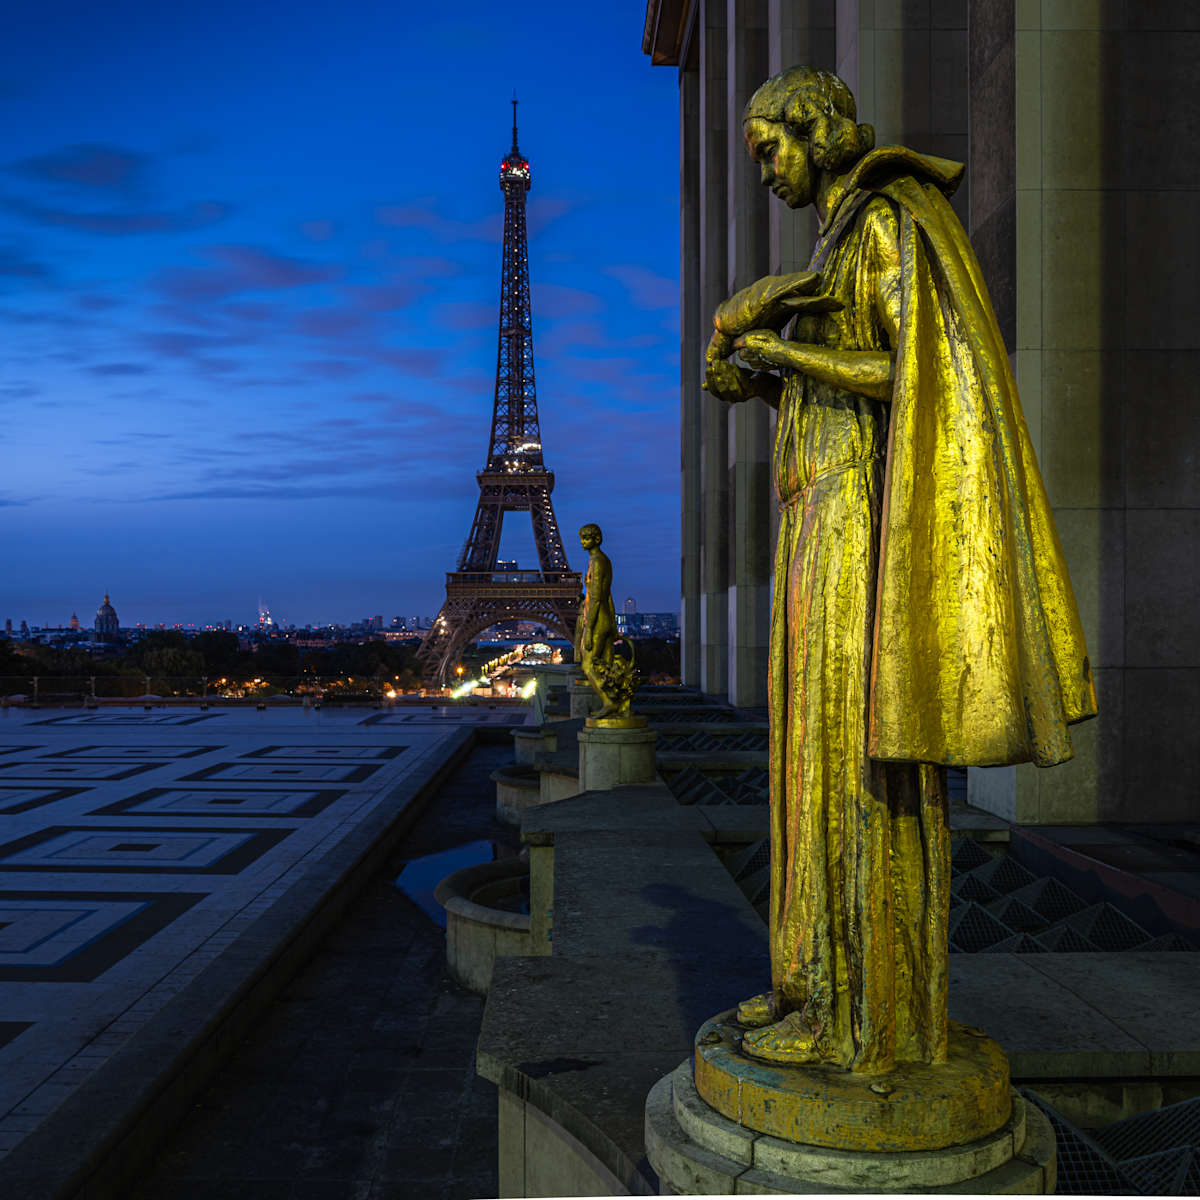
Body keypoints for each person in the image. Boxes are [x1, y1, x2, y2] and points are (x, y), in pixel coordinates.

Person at [705, 67, 1097, 1072]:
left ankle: (854, 1013)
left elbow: (908, 373)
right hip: (815, 526)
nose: (767, 173)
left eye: (772, 149)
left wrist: (782, 355)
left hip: (854, 531)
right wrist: (755, 376)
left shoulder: (888, 219)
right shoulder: (838, 243)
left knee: (845, 761)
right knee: (811, 760)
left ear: (820, 130)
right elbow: (855, 385)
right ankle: (808, 986)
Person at [574, 523, 623, 718]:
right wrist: (613, 624)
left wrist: (589, 627)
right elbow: (608, 595)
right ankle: (618, 705)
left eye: (586, 538)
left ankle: (609, 703)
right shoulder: (604, 560)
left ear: (596, 539)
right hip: (605, 619)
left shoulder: (596, 561)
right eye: (581, 538)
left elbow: (595, 598)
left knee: (588, 666)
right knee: (607, 666)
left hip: (596, 620)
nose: (582, 542)